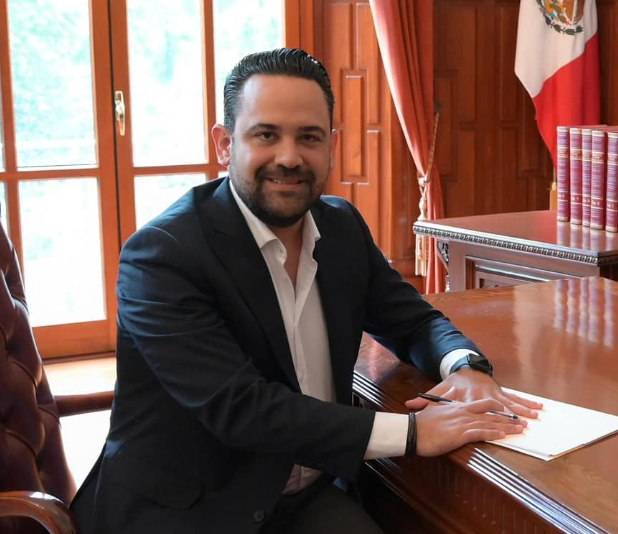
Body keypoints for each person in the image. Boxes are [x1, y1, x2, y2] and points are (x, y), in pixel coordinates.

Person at [71, 48, 540, 534]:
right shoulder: (163, 254)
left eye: (309, 137)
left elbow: (413, 320)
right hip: (189, 510)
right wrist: (413, 432)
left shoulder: (341, 227)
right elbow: (241, 408)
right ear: (225, 144)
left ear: (331, 145)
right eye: (266, 135)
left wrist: (464, 368)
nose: (289, 157)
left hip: (305, 496)